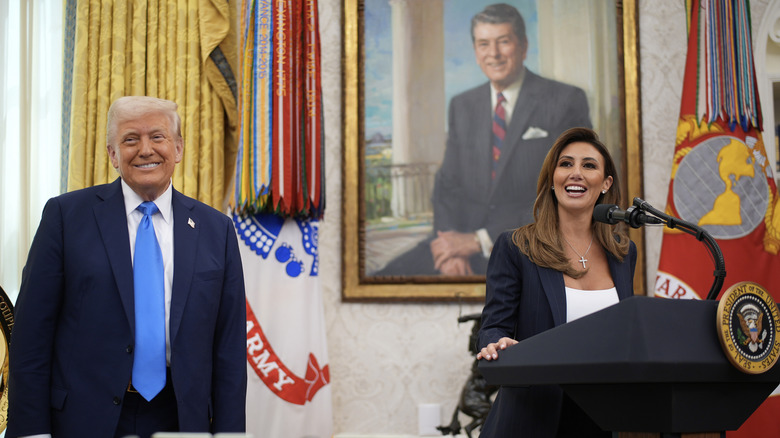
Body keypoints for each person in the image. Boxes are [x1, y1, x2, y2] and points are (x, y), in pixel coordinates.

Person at [7, 96, 247, 438]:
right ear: (112, 154)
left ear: (178, 148)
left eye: (158, 137)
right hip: (82, 420)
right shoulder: (65, 217)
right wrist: (30, 432)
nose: (145, 149)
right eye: (130, 139)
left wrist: (229, 434)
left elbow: (229, 351)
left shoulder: (217, 230)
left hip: (181, 419)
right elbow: (31, 338)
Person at [377, 3, 591, 277]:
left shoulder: (564, 100)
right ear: (476, 52)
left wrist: (480, 240)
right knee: (388, 277)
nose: (494, 54)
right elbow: (447, 185)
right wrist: (448, 248)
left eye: (503, 42)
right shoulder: (462, 105)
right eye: (483, 44)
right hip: (459, 242)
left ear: (523, 46)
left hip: (528, 246)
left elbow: (567, 193)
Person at [476, 127, 636, 437]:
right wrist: (496, 344)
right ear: (552, 179)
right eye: (565, 164)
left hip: (605, 419)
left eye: (588, 165)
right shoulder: (516, 246)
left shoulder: (624, 253)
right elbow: (493, 327)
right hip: (533, 419)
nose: (576, 173)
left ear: (605, 183)